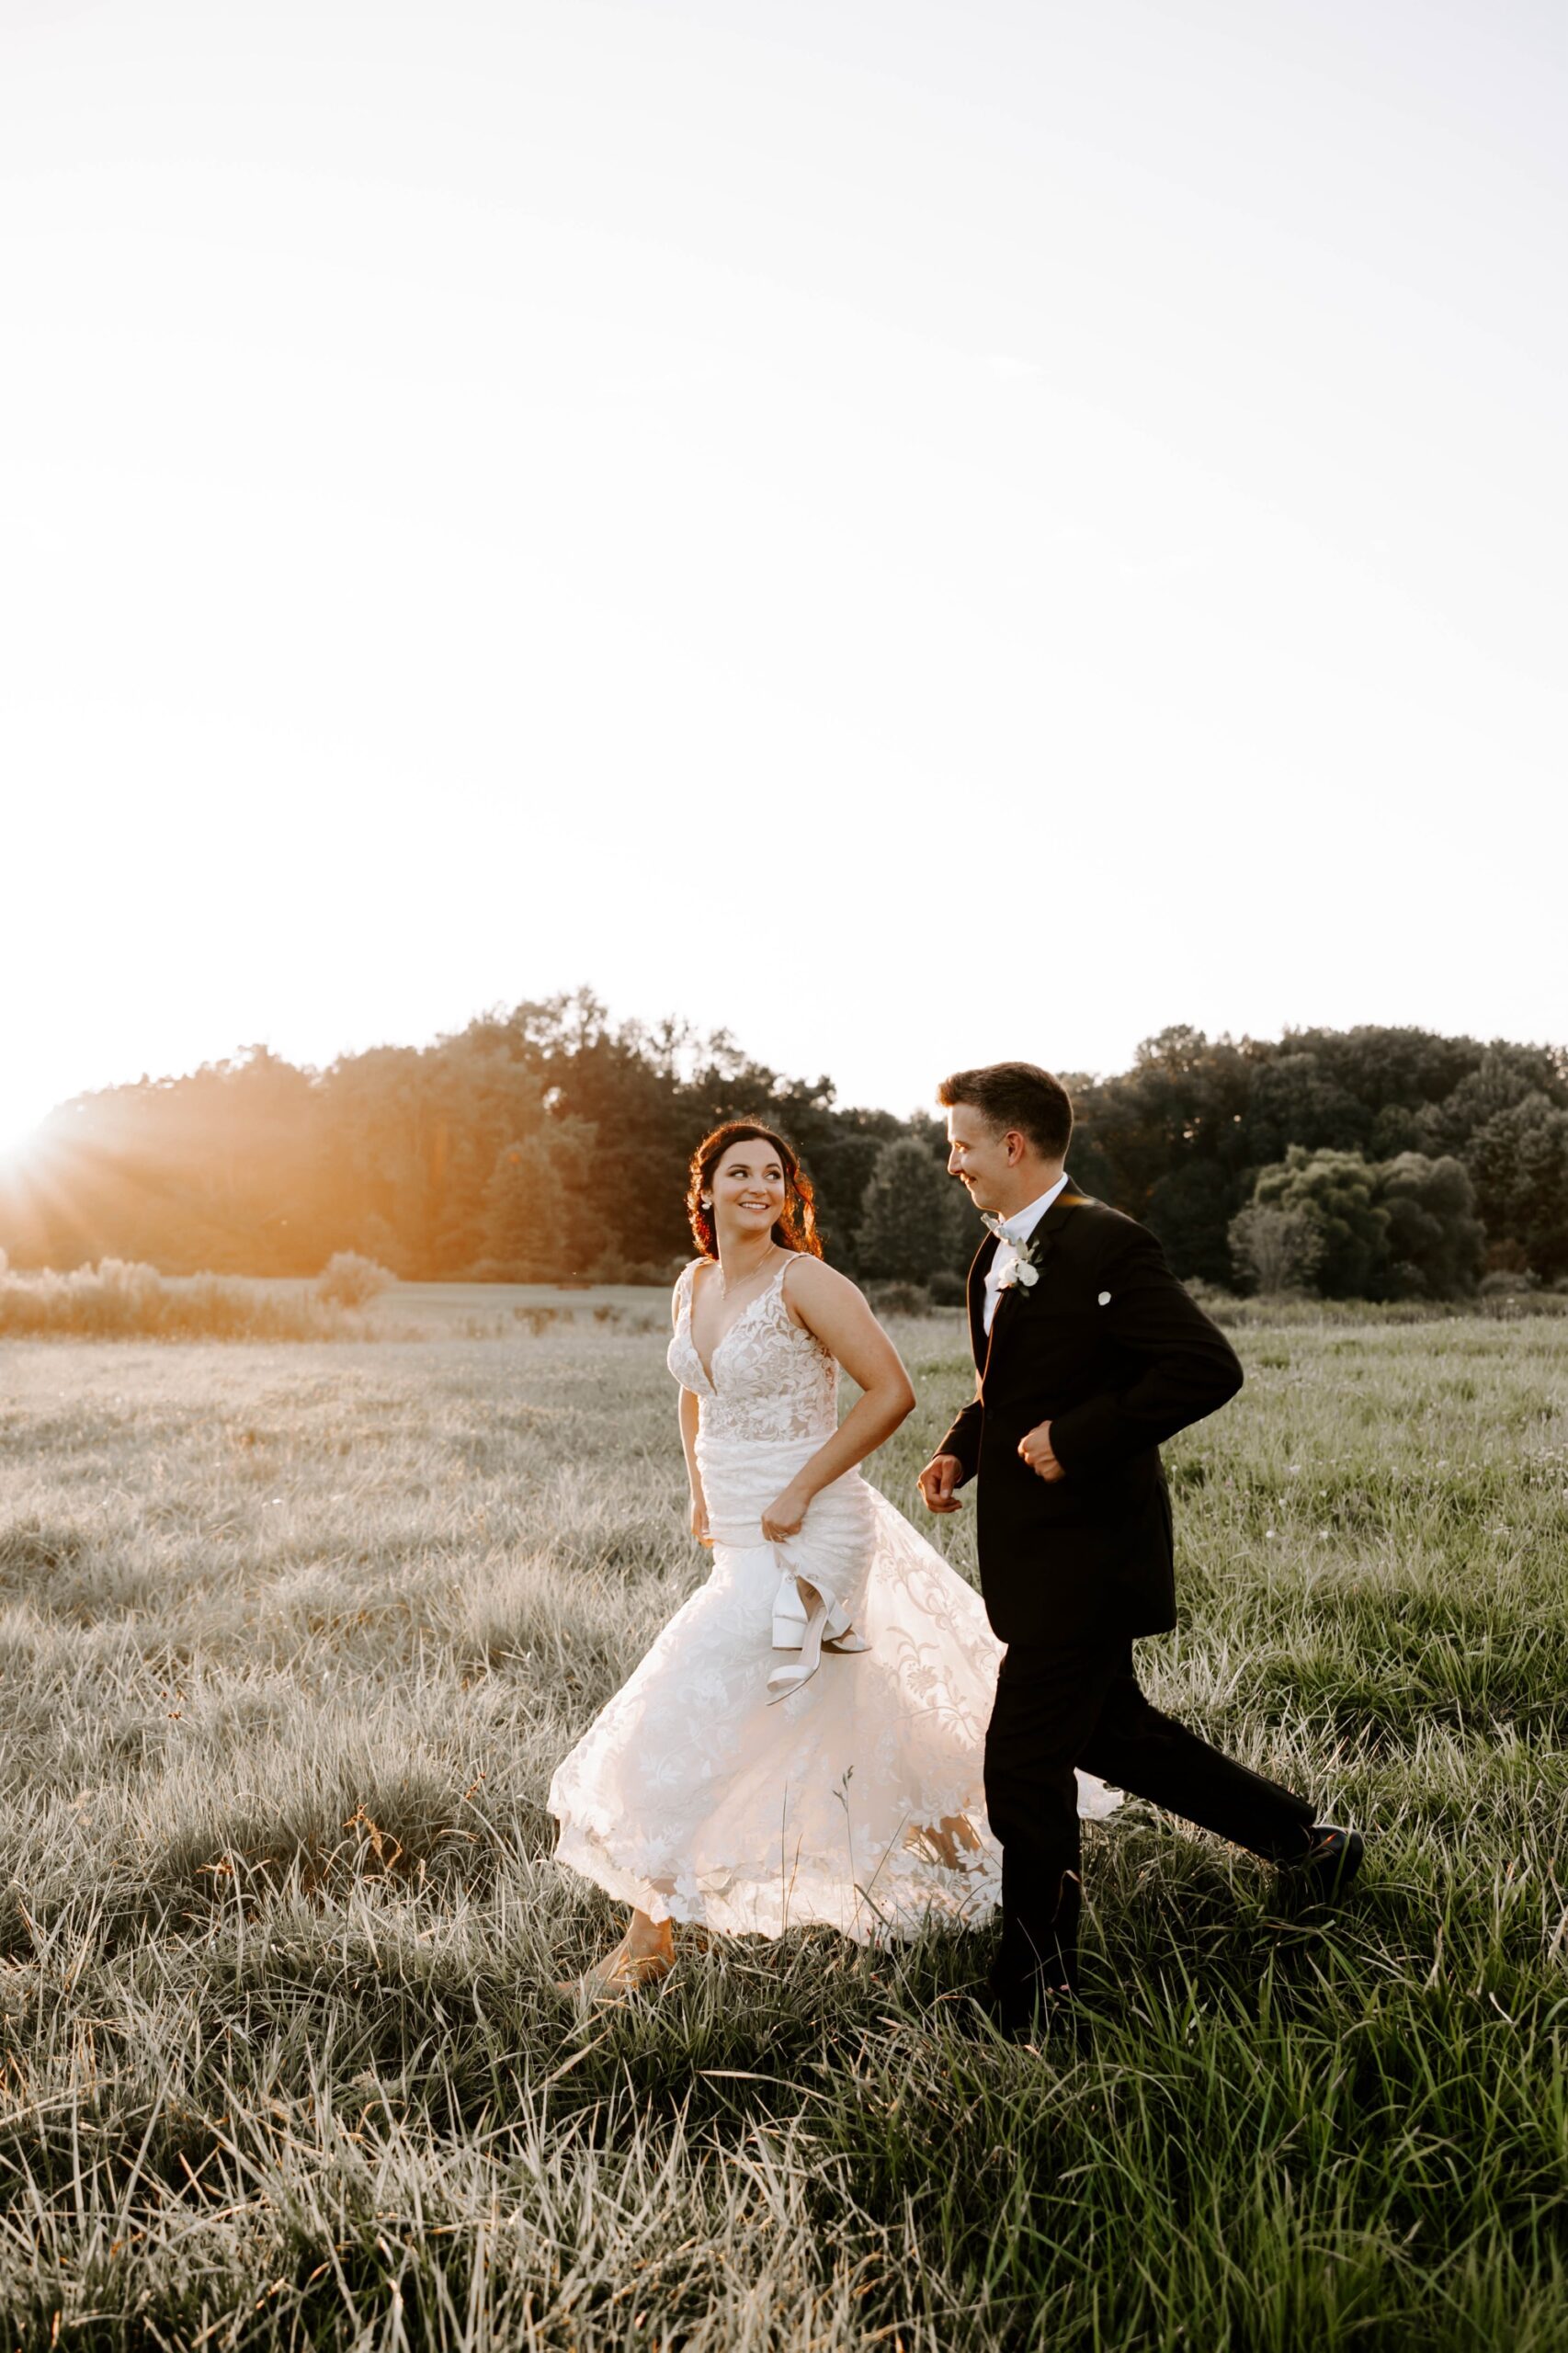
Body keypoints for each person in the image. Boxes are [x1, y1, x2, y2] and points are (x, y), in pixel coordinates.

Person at [548, 1119, 1117, 1997]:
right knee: (864, 1714)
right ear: (704, 1191)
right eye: (738, 1172)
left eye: (773, 1174)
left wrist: (802, 1489)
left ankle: (645, 1941)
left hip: (814, 1530)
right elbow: (693, 1391)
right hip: (740, 1535)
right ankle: (991, 1857)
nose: (757, 1186)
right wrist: (697, 1490)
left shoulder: (804, 1282)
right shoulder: (691, 1283)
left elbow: (892, 1392)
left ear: (788, 1192)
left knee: (685, 1711)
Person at [916, 1060, 1365, 2040]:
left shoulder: (1106, 1243)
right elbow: (1007, 1383)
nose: (950, 1162)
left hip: (1087, 1554)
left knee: (1022, 1767)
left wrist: (1074, 1439)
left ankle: (1032, 1998)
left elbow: (1205, 1367)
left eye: (960, 1143)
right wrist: (962, 1449)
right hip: (1033, 1552)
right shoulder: (993, 1254)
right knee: (1113, 1736)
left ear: (1012, 1144)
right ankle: (1308, 1842)